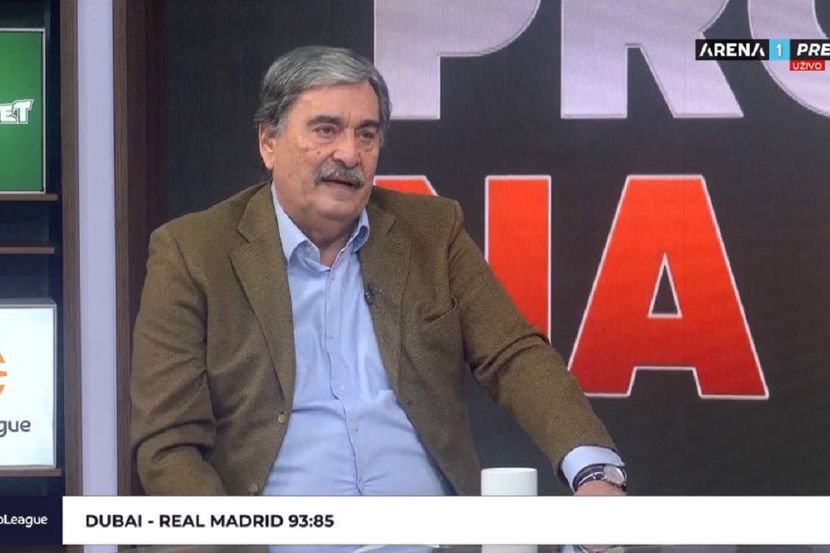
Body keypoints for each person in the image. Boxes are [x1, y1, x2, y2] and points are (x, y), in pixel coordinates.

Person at [131, 45, 626, 497]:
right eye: (326, 130)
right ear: (268, 142)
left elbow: (513, 355)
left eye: (366, 134)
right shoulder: (193, 252)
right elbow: (169, 446)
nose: (350, 154)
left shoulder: (432, 231)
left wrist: (593, 470)